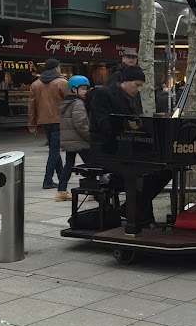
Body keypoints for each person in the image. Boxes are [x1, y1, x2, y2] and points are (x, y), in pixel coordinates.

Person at [89, 65, 172, 227]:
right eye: (137, 85)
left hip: (129, 149)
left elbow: (137, 123)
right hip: (108, 150)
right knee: (143, 175)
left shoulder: (133, 98)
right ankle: (141, 217)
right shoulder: (103, 94)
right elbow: (104, 125)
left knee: (165, 171)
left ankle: (132, 208)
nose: (139, 89)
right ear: (125, 81)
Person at [28, 58, 69, 189]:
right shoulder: (62, 82)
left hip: (44, 121)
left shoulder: (35, 84)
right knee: (54, 151)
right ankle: (48, 180)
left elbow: (31, 106)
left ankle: (61, 176)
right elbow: (70, 101)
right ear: (56, 68)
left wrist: (32, 124)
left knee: (53, 149)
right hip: (59, 120)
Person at [56, 76, 93, 201]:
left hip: (70, 140)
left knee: (69, 165)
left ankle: (61, 191)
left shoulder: (67, 103)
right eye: (82, 89)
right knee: (91, 165)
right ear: (74, 89)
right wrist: (89, 137)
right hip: (79, 140)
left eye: (86, 89)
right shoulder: (78, 103)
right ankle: (91, 190)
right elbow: (80, 124)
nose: (85, 91)